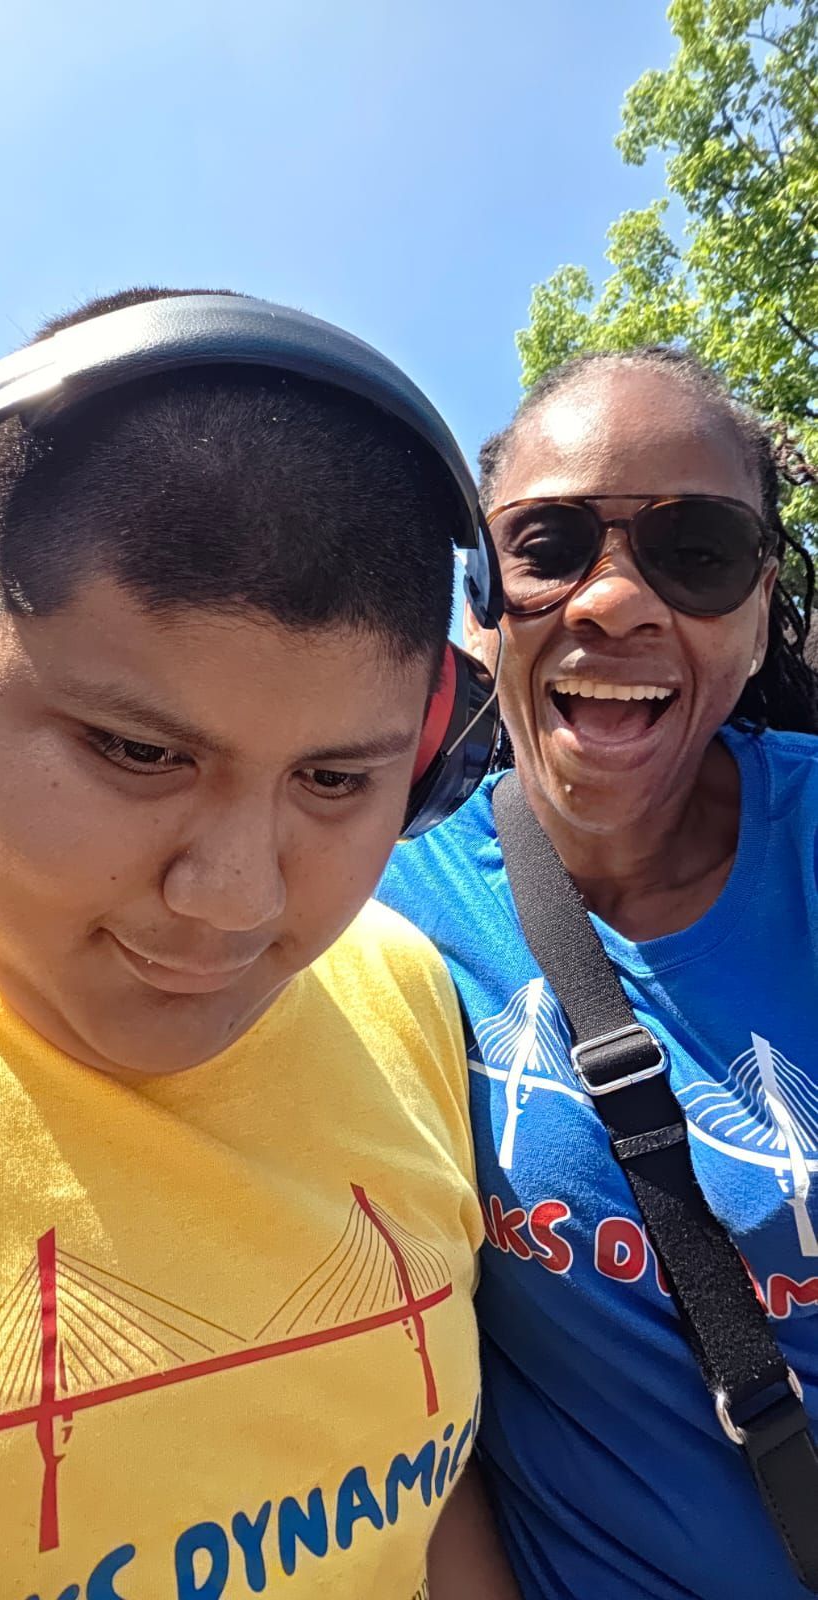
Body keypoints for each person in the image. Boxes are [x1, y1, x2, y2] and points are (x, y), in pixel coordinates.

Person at [0, 288, 520, 1599]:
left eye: (336, 781)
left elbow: (433, 1483)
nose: (235, 901)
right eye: (139, 751)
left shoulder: (402, 987)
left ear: (426, 755)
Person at [380, 346, 818, 1600]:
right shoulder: (379, 920)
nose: (614, 601)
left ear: (759, 610)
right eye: (550, 545)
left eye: (696, 550)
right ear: (481, 601)